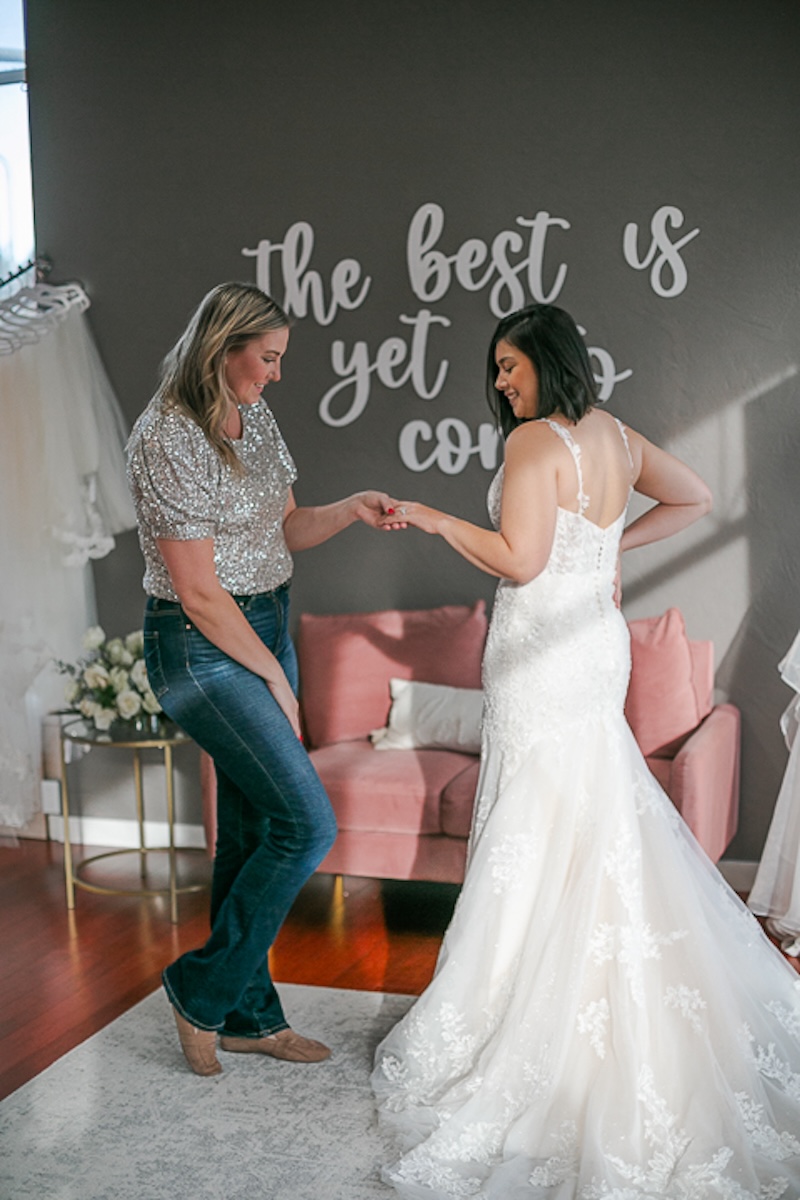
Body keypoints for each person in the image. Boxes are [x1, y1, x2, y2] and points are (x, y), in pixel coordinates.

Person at [372, 303, 800, 1197]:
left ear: (547, 361)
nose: (500, 383)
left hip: (542, 659)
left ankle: (525, 1023)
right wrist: (609, 546)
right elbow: (699, 498)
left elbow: (521, 560)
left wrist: (433, 517)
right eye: (496, 370)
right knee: (590, 818)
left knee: (537, 825)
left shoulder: (532, 445)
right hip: (590, 648)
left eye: (509, 367)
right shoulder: (614, 435)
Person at [127, 282, 396, 1077]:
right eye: (269, 357)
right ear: (224, 347)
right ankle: (199, 986)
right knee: (308, 824)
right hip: (200, 646)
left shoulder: (255, 415)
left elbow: (288, 526)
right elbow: (201, 592)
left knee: (249, 833)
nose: (277, 374)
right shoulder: (165, 436)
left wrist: (347, 507)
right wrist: (274, 680)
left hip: (265, 623)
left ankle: (248, 1016)